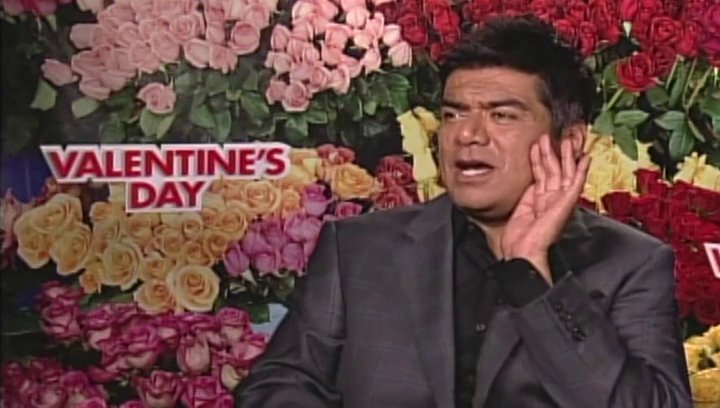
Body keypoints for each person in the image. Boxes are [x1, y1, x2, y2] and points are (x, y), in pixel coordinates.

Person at [234, 14, 692, 408]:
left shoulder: (630, 263)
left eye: (502, 115)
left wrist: (533, 276)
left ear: (568, 142)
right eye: (454, 114)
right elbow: (277, 388)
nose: (468, 135)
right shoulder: (358, 248)